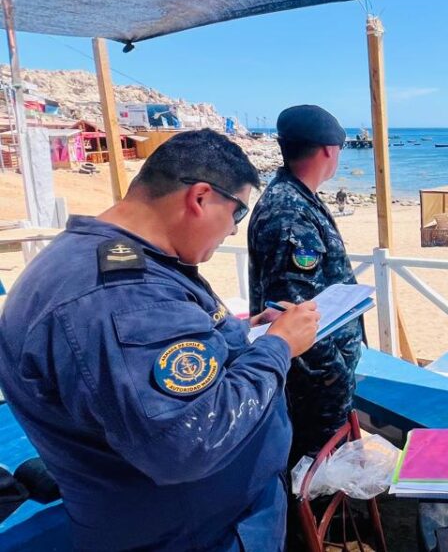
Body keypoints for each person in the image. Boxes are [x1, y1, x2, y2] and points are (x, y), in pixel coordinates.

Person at [0, 129, 320, 551]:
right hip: (195, 534)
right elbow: (189, 441)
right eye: (237, 214)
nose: (231, 233)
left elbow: (155, 364)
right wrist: (277, 347)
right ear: (201, 198)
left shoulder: (115, 261)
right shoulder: (122, 294)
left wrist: (243, 335)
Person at [247, 104, 363, 465]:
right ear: (330, 150)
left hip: (316, 377)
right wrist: (336, 378)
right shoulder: (290, 213)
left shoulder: (295, 197)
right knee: (314, 476)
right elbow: (294, 311)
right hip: (313, 385)